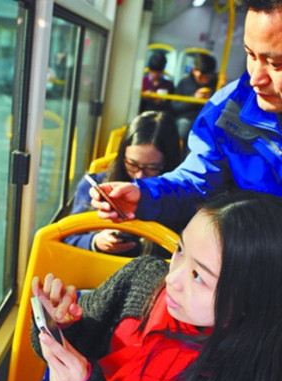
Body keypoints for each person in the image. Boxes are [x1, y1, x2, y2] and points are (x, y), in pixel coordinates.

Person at [31, 191, 282, 381]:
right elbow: (80, 342)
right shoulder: (142, 279)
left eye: (198, 276)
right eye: (180, 250)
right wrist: (62, 326)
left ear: (249, 300)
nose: (172, 279)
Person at [89, 0, 282, 231]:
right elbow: (197, 182)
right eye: (250, 55)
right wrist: (145, 195)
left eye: (275, 64)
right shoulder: (228, 109)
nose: (255, 79)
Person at [63, 111, 181, 257]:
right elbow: (68, 238)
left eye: (152, 168)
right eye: (132, 164)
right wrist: (96, 241)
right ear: (122, 156)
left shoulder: (181, 199)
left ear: (169, 165)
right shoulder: (95, 185)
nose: (139, 176)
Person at [172, 53, 217, 150]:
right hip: (186, 118)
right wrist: (193, 98)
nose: (204, 81)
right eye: (201, 77)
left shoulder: (216, 84)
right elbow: (174, 106)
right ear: (194, 71)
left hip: (207, 119)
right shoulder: (184, 83)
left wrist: (212, 98)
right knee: (183, 126)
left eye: (207, 77)